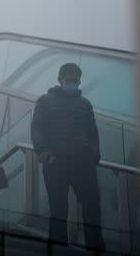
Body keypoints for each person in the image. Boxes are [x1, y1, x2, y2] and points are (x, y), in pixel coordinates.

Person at [31, 63, 104, 251]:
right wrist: (42, 150)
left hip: (82, 163)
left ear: (79, 81)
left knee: (92, 208)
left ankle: (95, 248)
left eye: (75, 80)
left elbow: (92, 132)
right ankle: (58, 249)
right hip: (56, 162)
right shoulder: (45, 101)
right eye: (69, 80)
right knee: (58, 208)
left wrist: (93, 155)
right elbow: (37, 128)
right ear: (60, 79)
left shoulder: (85, 104)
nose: (73, 83)